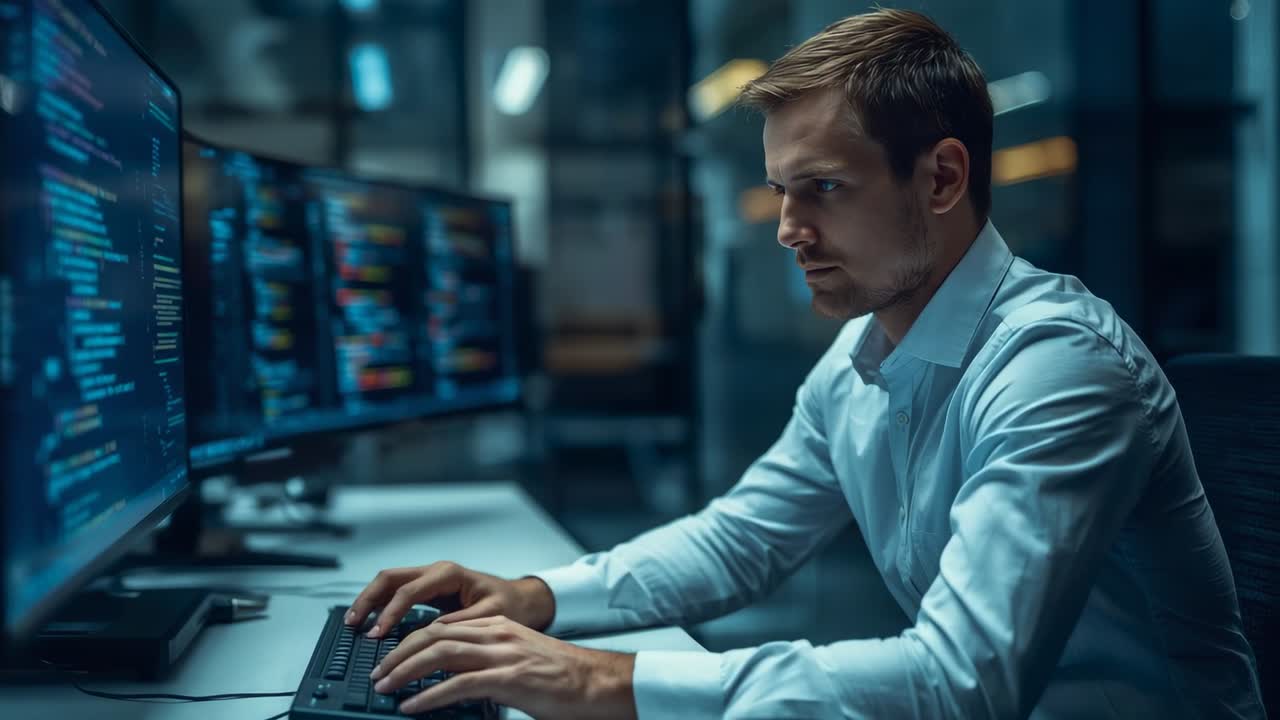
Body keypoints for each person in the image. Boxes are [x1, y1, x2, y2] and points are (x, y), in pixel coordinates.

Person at [346, 9, 1265, 719]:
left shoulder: (1058, 371)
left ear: (942, 179)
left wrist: (601, 683)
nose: (788, 230)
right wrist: (538, 597)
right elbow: (741, 540)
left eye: (823, 189)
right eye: (782, 191)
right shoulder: (862, 355)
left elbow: (960, 683)